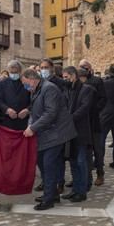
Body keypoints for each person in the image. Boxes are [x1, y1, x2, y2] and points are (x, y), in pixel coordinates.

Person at [21, 69, 77, 211]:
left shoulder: (49, 89)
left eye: (25, 83)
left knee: (48, 165)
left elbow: (50, 113)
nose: (25, 87)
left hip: (56, 133)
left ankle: (49, 199)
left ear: (32, 79)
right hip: (46, 133)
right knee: (43, 163)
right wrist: (30, 120)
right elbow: (35, 110)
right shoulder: (37, 89)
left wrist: (32, 128)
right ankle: (52, 193)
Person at [34, 58, 68, 193]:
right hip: (42, 126)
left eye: (45, 67)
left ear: (52, 68)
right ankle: (46, 181)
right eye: (41, 67)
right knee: (42, 158)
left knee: (56, 159)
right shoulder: (40, 83)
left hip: (56, 126)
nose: (43, 70)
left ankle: (59, 182)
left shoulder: (60, 83)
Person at [61, 66, 93, 202]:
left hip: (80, 131)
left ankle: (82, 191)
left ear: (73, 75)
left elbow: (84, 108)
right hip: (70, 132)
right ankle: (75, 189)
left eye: (66, 77)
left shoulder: (87, 90)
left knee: (81, 162)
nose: (65, 80)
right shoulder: (68, 89)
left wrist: (70, 118)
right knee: (73, 162)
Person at [79, 59, 107, 186]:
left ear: (90, 68)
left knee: (97, 149)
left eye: (85, 66)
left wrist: (95, 110)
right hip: (83, 122)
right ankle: (86, 176)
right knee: (85, 150)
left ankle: (100, 174)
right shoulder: (78, 81)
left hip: (94, 121)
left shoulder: (97, 81)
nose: (83, 68)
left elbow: (103, 98)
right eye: (81, 66)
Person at [0, 60, 30, 131]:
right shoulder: (3, 83)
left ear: (20, 71)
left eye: (16, 72)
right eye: (11, 72)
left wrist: (27, 110)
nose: (13, 74)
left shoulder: (26, 83)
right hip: (7, 122)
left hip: (23, 122)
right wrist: (7, 110)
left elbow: (33, 99)